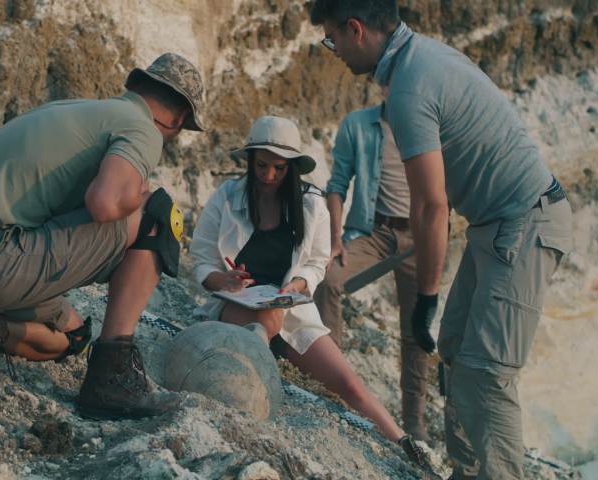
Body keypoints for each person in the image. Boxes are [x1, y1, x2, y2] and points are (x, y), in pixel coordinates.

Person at [309, 2, 574, 479]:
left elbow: (431, 207)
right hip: (494, 225)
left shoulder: (411, 84)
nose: (335, 51)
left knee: (485, 373)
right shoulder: (423, 57)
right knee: (453, 350)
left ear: (356, 29)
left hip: (525, 221)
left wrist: (426, 298)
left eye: (333, 39)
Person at [0, 53, 207, 420]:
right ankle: (112, 378)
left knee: (72, 337)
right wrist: (140, 193)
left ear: (135, 86)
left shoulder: (76, 110)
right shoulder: (142, 129)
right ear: (178, 118)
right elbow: (105, 203)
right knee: (159, 214)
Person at [189, 115, 436, 473]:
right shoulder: (226, 196)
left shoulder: (311, 204)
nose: (268, 175)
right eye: (261, 164)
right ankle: (255, 376)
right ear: (250, 158)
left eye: (278, 167)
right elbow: (200, 260)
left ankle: (406, 445)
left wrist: (298, 285)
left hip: (291, 309)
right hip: (237, 306)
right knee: (266, 315)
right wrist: (221, 281)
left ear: (292, 168)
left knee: (349, 384)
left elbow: (318, 263)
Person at [313, 90, 433, 444]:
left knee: (417, 328)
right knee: (329, 279)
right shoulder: (357, 124)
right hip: (374, 231)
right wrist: (336, 237)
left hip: (421, 237)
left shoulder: (432, 127)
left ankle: (415, 422)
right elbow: (336, 186)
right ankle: (332, 386)